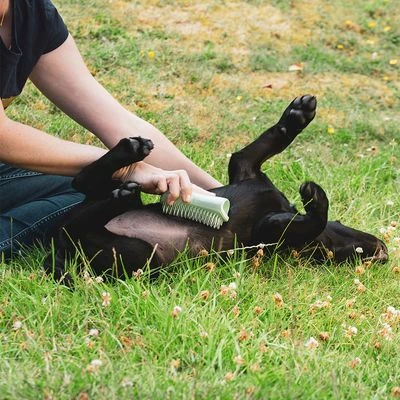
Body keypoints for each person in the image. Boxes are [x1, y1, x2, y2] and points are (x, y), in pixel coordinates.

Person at [0, 0, 220, 259]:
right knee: (106, 184)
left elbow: (116, 121)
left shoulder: (30, 14)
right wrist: (125, 167)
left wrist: (221, 194)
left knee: (98, 192)